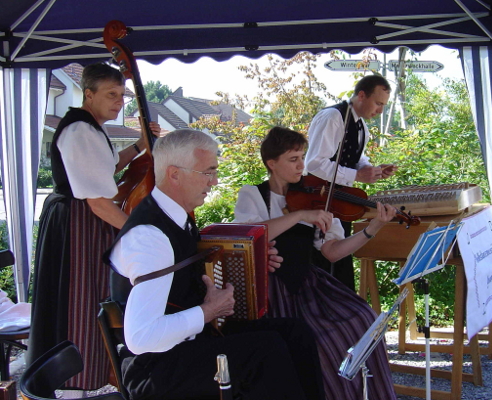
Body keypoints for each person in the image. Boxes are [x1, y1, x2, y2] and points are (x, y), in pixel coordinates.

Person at [105, 129, 326, 400]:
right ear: (174, 174)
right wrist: (208, 311)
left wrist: (253, 262)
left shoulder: (175, 218)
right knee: (266, 350)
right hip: (156, 368)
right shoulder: (150, 238)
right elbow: (141, 338)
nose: (215, 181)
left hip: (187, 344)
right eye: (207, 172)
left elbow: (187, 277)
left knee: (294, 332)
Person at [233, 127, 398, 400]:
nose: (302, 165)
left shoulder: (317, 197)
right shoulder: (254, 195)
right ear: (271, 164)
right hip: (271, 289)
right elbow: (250, 234)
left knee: (362, 320)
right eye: (293, 159)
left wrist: (373, 228)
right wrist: (302, 214)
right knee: (319, 341)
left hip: (308, 284)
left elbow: (333, 252)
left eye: (302, 157)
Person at [28, 62, 160, 397]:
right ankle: (76, 385)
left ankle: (92, 379)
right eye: (111, 94)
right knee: (80, 299)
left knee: (90, 298)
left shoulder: (91, 128)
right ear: (88, 95)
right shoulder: (81, 131)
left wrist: (139, 147)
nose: (119, 101)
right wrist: (144, 230)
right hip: (78, 222)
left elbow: (106, 169)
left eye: (122, 95)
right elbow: (100, 202)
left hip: (80, 219)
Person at [304, 74, 397, 291]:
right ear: (361, 95)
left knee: (341, 263)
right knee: (323, 265)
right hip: (317, 202)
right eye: (378, 103)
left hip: (339, 203)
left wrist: (372, 170)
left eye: (384, 105)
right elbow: (315, 164)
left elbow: (355, 160)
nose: (380, 110)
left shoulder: (361, 126)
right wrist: (357, 176)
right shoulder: (332, 117)